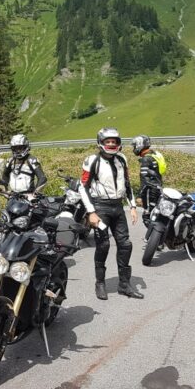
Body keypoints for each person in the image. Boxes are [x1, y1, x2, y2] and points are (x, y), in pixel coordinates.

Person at [79, 127, 143, 300]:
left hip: (118, 207)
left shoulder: (122, 159)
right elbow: (82, 187)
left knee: (125, 245)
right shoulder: (92, 160)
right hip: (100, 207)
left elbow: (127, 184)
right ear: (101, 142)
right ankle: (100, 283)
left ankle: (124, 284)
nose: (111, 144)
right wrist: (91, 212)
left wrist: (132, 206)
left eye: (114, 141)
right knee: (103, 245)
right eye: (108, 141)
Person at [130, 134, 166, 237]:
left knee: (147, 216)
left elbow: (145, 180)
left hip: (150, 191)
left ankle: (157, 239)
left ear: (140, 145)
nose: (134, 148)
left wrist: (140, 196)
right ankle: (159, 238)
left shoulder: (146, 159)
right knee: (156, 214)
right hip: (158, 188)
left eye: (134, 146)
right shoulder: (155, 154)